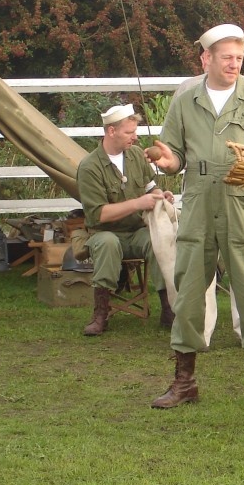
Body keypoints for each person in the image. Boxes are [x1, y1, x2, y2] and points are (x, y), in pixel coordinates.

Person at [146, 23, 244, 409]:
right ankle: (184, 381)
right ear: (205, 58)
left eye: (239, 58)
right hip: (197, 207)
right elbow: (174, 157)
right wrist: (164, 158)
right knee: (189, 292)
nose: (234, 64)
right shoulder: (184, 101)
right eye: (227, 57)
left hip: (240, 205)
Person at [76, 104, 174, 336]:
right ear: (111, 131)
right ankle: (100, 314)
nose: (135, 136)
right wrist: (138, 203)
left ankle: (170, 309)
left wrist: (160, 196)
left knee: (160, 238)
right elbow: (97, 214)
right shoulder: (90, 166)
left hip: (136, 230)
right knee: (108, 243)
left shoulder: (137, 156)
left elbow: (151, 188)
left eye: (135, 131)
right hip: (103, 232)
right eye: (129, 132)